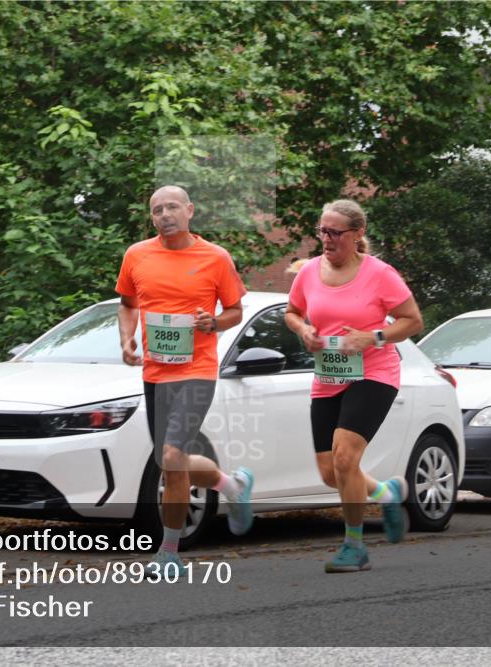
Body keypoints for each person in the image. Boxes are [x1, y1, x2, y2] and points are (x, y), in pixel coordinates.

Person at [116, 185, 255, 578]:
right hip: (156, 371)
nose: (165, 214)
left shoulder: (215, 257)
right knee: (168, 462)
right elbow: (127, 306)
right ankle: (231, 485)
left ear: (190, 210)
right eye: (157, 209)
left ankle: (169, 552)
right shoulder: (136, 255)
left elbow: (233, 311)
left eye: (172, 207)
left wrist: (214, 322)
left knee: (173, 457)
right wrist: (126, 339)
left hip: (197, 370)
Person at [285, 199, 423, 573]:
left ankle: (354, 546)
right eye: (322, 231)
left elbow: (412, 321)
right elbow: (292, 312)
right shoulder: (309, 272)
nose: (326, 239)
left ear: (358, 233)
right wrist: (305, 331)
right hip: (328, 376)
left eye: (335, 233)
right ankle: (387, 493)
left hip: (373, 374)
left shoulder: (380, 274)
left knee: (346, 458)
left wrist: (374, 337)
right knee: (331, 473)